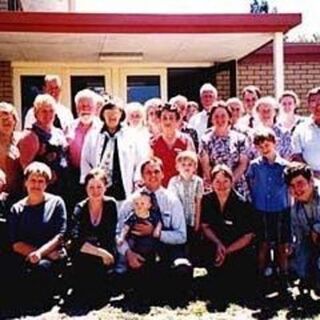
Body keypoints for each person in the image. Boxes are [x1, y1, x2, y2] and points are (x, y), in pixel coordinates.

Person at [117, 157, 192, 305]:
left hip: (168, 251)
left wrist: (155, 233)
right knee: (141, 283)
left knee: (182, 269)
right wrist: (128, 254)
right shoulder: (131, 202)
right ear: (142, 176)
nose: (153, 175)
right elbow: (119, 232)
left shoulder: (172, 200)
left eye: (156, 171)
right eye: (148, 172)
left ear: (163, 174)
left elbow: (182, 236)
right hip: (141, 253)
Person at [2, 162, 67, 309]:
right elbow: (16, 243)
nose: (36, 185)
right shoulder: (16, 209)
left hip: (52, 255)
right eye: (32, 180)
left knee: (43, 268)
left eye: (41, 181)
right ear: (25, 183)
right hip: (26, 255)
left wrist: (41, 254)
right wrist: (36, 254)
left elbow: (60, 234)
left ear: (46, 184)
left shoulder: (56, 203)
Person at [201, 164, 256, 307]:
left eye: (225, 181)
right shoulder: (206, 200)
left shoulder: (242, 203)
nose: (221, 185)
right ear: (211, 182)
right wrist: (218, 245)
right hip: (217, 246)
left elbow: (248, 236)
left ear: (232, 182)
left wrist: (227, 250)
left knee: (236, 284)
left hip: (236, 248)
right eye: (217, 181)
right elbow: (205, 226)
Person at [246, 128, 291, 295]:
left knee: (281, 244)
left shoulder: (285, 166)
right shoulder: (254, 166)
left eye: (267, 144)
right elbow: (250, 183)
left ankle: (283, 278)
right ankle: (260, 277)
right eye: (261, 146)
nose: (264, 148)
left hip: (281, 208)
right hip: (262, 209)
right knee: (263, 244)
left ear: (274, 143)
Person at [81, 97, 149, 201]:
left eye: (115, 113)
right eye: (108, 113)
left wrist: (137, 181)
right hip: (99, 189)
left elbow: (140, 160)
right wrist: (88, 183)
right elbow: (85, 161)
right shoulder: (93, 135)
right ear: (103, 115)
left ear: (121, 115)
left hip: (123, 188)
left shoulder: (132, 135)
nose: (112, 116)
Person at [67, 168, 117, 305]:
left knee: (99, 293)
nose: (95, 191)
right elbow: (75, 238)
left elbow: (109, 235)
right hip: (86, 252)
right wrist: (100, 252)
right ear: (86, 188)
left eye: (99, 186)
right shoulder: (80, 207)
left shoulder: (111, 205)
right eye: (91, 187)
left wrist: (103, 253)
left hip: (105, 252)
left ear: (106, 187)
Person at [18, 94, 68, 197]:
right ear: (36, 113)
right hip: (43, 189)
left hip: (63, 186)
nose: (48, 114)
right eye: (44, 111)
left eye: (51, 111)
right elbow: (25, 168)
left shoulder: (59, 132)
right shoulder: (31, 136)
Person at [199, 101, 250, 198]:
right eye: (216, 116)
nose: (220, 119)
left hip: (236, 186)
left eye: (223, 116)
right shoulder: (205, 139)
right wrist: (218, 184)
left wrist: (230, 182)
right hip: (213, 186)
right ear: (212, 119)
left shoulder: (240, 138)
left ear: (229, 118)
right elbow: (205, 165)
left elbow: (243, 164)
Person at [284, 163, 320, 297]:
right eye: (292, 186)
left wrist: (316, 229)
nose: (296, 189)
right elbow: (300, 239)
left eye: (300, 183)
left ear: (311, 181)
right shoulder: (295, 208)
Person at [66, 89, 101, 210]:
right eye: (81, 106)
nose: (85, 109)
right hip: (74, 176)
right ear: (76, 108)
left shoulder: (102, 128)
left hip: (95, 177)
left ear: (96, 108)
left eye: (88, 106)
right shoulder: (69, 127)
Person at [168, 151, 204, 263]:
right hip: (179, 219)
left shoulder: (198, 181)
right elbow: (172, 203)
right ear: (177, 167)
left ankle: (191, 264)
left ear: (195, 167)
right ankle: (179, 263)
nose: (186, 167)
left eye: (190, 164)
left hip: (192, 218)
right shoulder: (174, 182)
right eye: (183, 165)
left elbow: (198, 202)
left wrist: (197, 222)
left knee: (192, 243)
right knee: (180, 243)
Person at [151, 103, 195, 187]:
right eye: (164, 118)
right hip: (160, 188)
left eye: (171, 118)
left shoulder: (186, 141)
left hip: (182, 187)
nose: (168, 121)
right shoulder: (153, 143)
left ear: (177, 121)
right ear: (159, 120)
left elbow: (193, 168)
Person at [117, 191, 162, 264]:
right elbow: (126, 226)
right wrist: (122, 237)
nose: (139, 206)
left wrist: (156, 230)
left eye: (142, 204)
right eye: (136, 204)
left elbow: (159, 223)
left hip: (150, 242)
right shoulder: (133, 216)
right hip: (136, 243)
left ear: (149, 205)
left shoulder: (152, 215)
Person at [252, 96, 293, 160]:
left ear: (275, 112)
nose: (266, 114)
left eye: (268, 110)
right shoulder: (252, 134)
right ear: (258, 113)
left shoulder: (284, 133)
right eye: (263, 111)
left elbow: (288, 156)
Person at [292, 87, 320, 178]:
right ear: (308, 105)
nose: (318, 105)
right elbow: (296, 156)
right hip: (312, 181)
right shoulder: (301, 129)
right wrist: (313, 174)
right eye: (313, 101)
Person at [0, 102, 23, 204]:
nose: (7, 121)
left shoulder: (22, 139)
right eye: (2, 119)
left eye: (10, 118)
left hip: (21, 195)